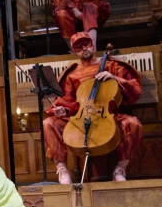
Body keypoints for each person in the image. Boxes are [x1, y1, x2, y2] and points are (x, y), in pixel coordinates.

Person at [42, 32, 143, 184]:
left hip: (109, 115)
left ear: (93, 45)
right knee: (48, 123)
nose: (84, 48)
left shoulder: (113, 66)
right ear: (74, 51)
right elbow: (68, 101)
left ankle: (120, 169)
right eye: (79, 47)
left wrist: (115, 78)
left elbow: (135, 89)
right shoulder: (72, 74)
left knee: (133, 124)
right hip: (81, 116)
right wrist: (64, 110)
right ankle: (62, 169)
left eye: (86, 44)